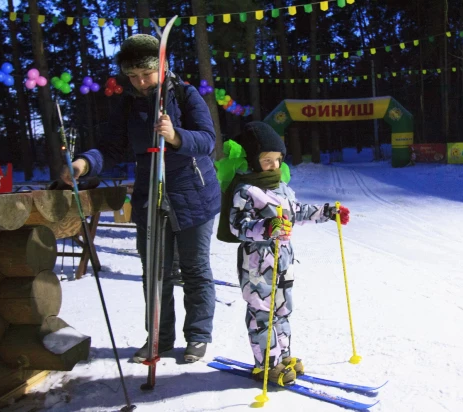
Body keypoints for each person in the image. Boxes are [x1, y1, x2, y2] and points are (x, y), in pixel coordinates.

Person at [61, 34, 221, 363]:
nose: (140, 82)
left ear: (162, 66)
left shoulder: (186, 95)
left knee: (194, 269)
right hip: (151, 196)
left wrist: (176, 136)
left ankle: (198, 336)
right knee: (155, 272)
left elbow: (207, 140)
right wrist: (85, 162)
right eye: (132, 76)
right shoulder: (129, 103)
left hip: (193, 194)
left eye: (146, 74)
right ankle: (159, 338)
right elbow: (111, 147)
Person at [215, 121, 350, 385]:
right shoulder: (245, 190)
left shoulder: (281, 187)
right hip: (257, 265)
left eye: (278, 160)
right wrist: (266, 227)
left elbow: (297, 211)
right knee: (262, 314)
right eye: (267, 160)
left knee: (283, 310)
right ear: (254, 160)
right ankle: (266, 364)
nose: (274, 166)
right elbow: (237, 226)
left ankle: (282, 356)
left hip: (284, 262)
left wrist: (327, 212)